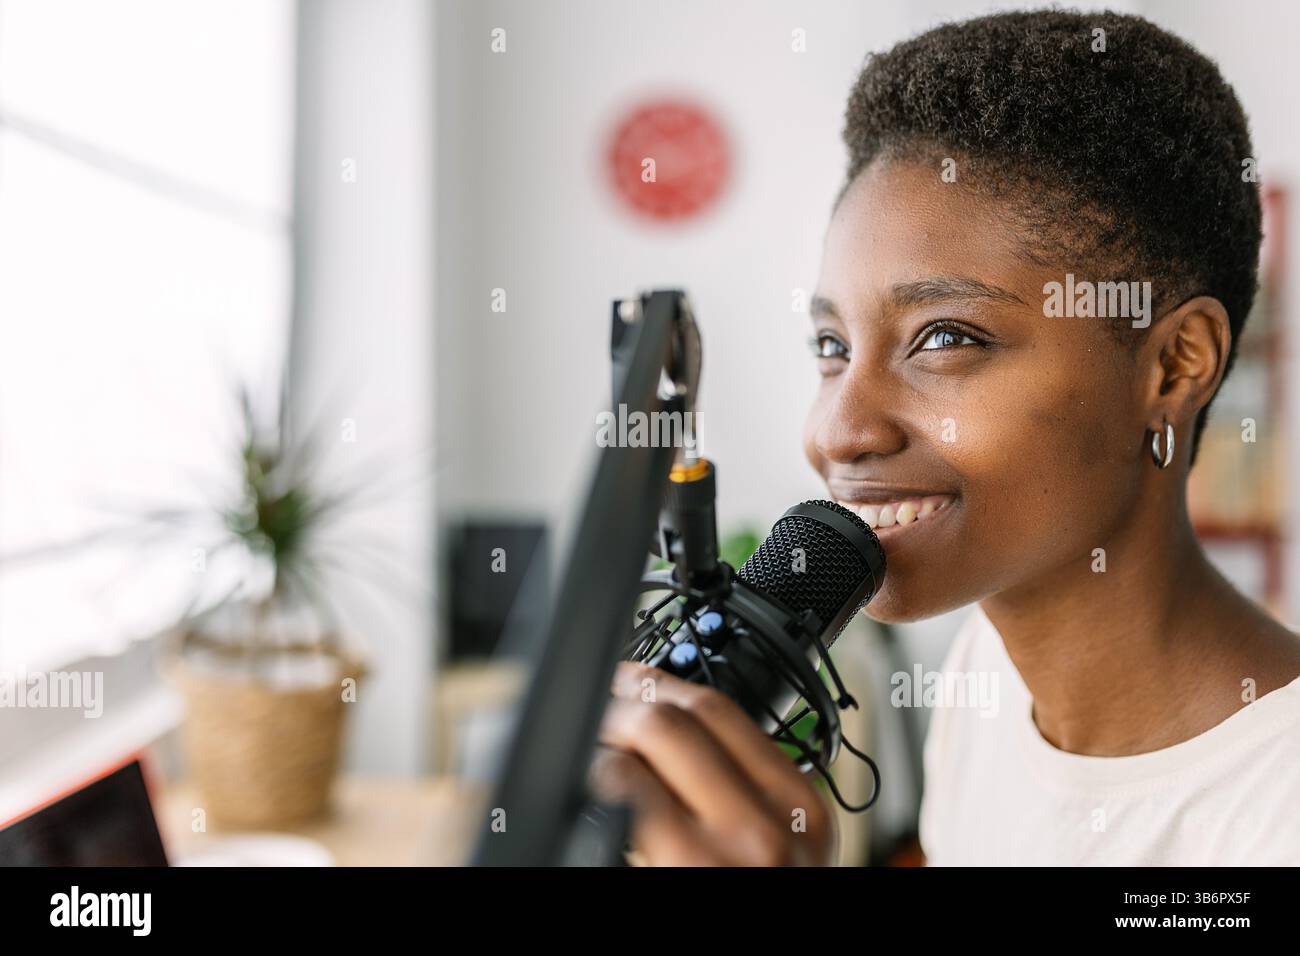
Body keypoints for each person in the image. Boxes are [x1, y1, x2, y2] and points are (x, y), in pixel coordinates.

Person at [590, 9, 1300, 866]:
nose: (839, 431)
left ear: (1175, 366)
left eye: (946, 336)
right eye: (832, 347)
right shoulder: (982, 677)